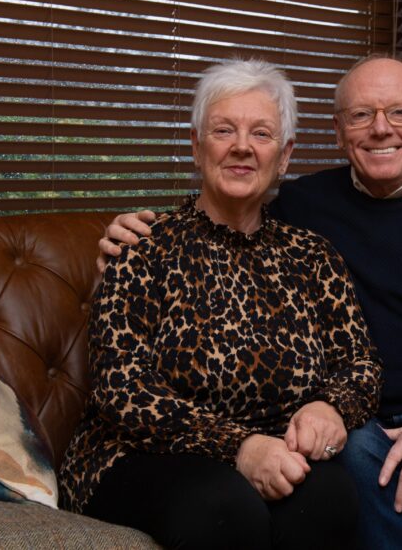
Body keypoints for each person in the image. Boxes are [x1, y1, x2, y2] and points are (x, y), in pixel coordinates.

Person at [99, 55, 402, 550]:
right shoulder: (303, 208)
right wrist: (123, 239)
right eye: (361, 115)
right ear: (338, 130)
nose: (380, 129)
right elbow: (226, 202)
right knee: (348, 457)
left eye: (400, 113)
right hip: (359, 421)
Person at [60, 58, 382, 550]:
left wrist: (329, 406)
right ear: (196, 145)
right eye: (224, 129)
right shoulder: (144, 246)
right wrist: (239, 447)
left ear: (285, 153)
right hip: (140, 455)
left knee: (330, 495)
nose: (241, 146)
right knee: (224, 509)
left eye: (261, 133)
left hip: (275, 454)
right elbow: (120, 388)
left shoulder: (313, 256)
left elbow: (360, 363)